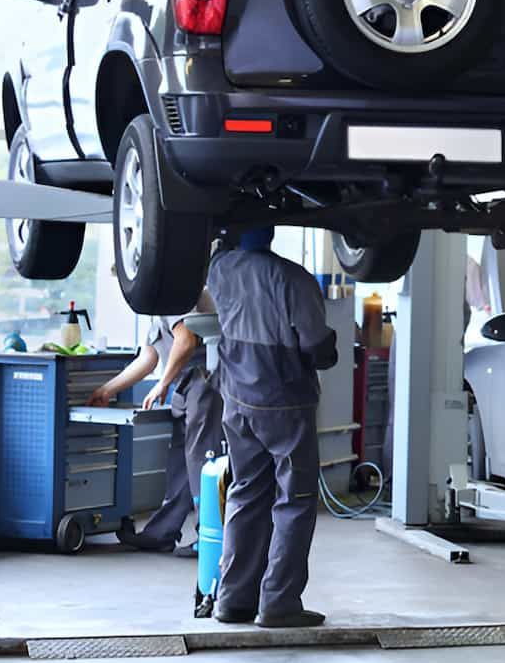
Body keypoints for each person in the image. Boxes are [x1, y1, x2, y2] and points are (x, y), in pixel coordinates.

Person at [206, 227, 338, 628]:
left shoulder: (219, 268)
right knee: (294, 500)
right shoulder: (292, 277)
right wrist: (327, 351)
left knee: (246, 491)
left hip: (236, 401)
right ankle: (279, 603)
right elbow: (317, 346)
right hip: (284, 401)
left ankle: (232, 600)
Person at [90, 299, 223, 556]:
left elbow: (186, 340)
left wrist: (162, 384)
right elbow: (149, 358)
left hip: (204, 382)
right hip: (187, 385)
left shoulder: (175, 294)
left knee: (202, 464)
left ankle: (209, 540)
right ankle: (162, 532)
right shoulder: (157, 306)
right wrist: (107, 390)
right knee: (181, 466)